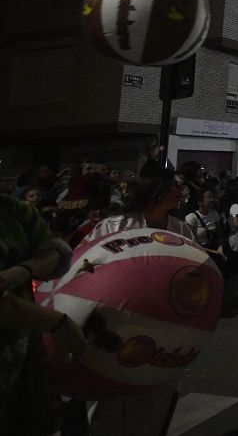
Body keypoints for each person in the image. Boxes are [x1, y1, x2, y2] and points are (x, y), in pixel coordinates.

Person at [82, 170, 195, 435]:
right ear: (154, 191)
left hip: (163, 326)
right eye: (174, 185)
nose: (181, 190)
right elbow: (85, 267)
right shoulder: (114, 226)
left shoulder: (180, 229)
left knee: (153, 402)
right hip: (114, 323)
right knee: (106, 405)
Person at [0, 194, 79, 435]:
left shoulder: (12, 209)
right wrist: (57, 323)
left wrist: (21, 271)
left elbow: (56, 251)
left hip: (23, 350)